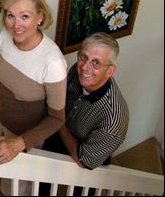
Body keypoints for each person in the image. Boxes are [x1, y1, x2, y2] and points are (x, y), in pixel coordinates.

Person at [0, 0, 67, 196]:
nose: (16, 25)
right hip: (2, 123)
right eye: (10, 16)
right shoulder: (4, 37)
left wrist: (18, 144)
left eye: (25, 16)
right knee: (4, 175)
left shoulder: (52, 61)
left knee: (18, 188)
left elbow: (57, 119)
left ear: (40, 17)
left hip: (28, 138)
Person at [39, 32, 129, 196]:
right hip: (60, 133)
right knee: (44, 179)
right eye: (83, 57)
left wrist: (58, 121)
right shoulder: (77, 70)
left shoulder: (114, 121)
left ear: (110, 71)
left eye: (96, 63)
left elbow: (84, 160)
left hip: (88, 154)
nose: (85, 67)